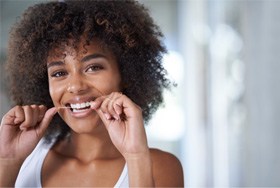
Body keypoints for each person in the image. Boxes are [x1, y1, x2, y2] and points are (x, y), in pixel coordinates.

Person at [0, 0, 184, 187]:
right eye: (59, 73)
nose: (76, 86)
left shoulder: (160, 167)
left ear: (126, 74)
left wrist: (136, 157)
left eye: (93, 67)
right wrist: (8, 162)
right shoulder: (23, 158)